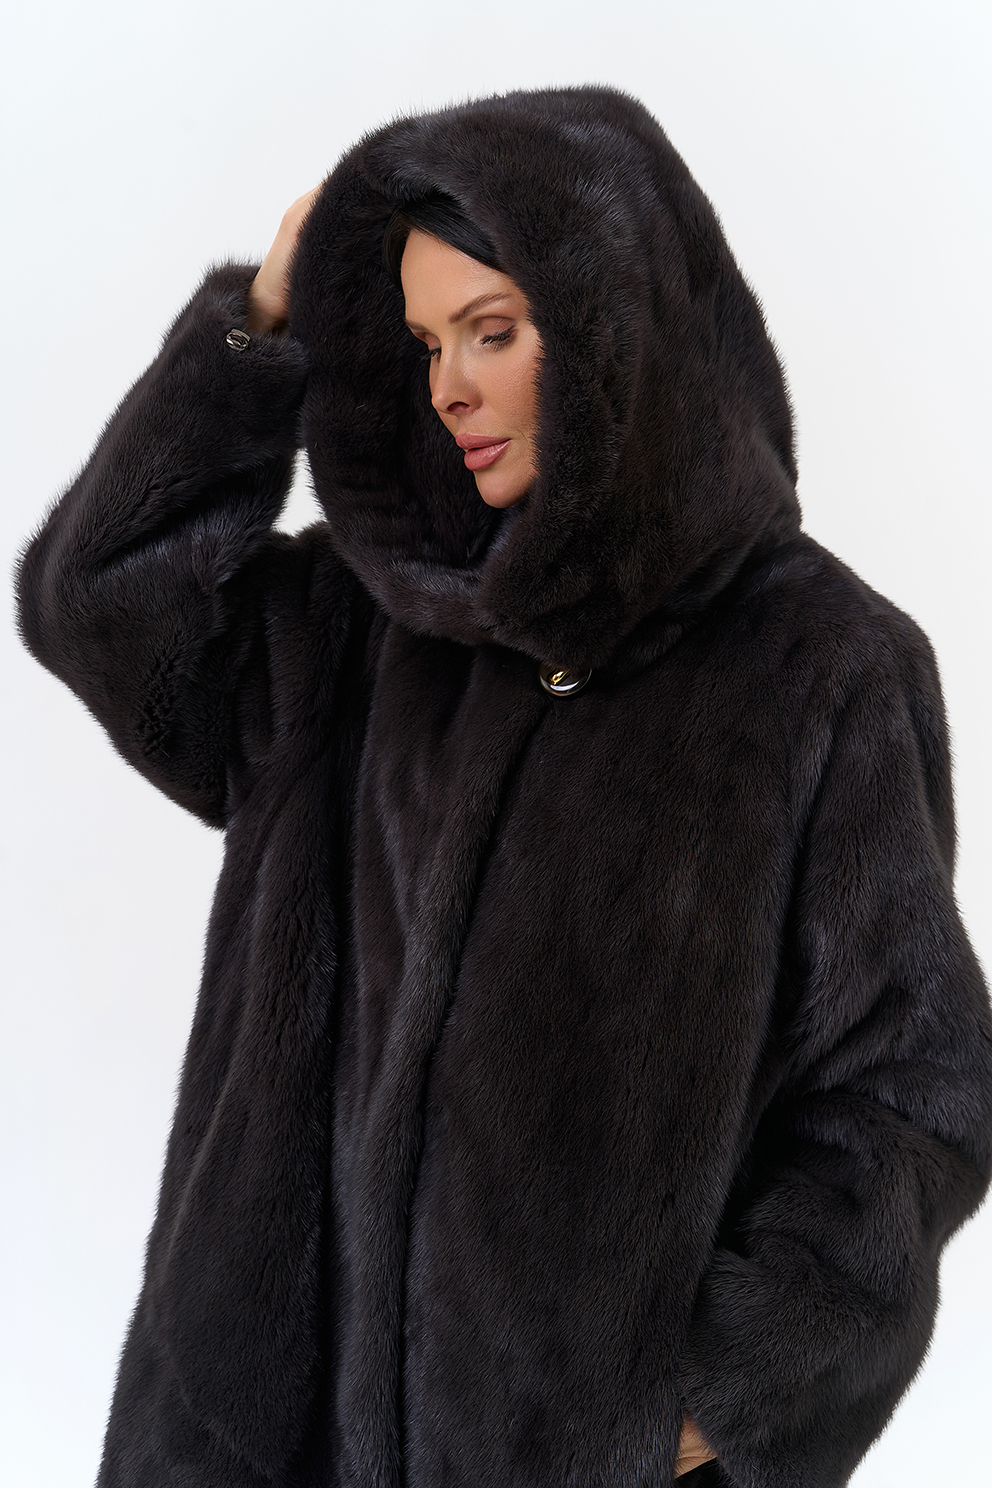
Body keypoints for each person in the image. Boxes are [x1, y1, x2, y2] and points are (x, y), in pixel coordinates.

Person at [15, 86, 992, 1488]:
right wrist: (258, 328)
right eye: (424, 343)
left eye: (493, 330)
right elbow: (99, 603)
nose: (449, 388)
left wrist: (726, 1391)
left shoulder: (820, 670)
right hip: (265, 1438)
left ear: (612, 326)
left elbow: (910, 1089)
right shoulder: (355, 625)